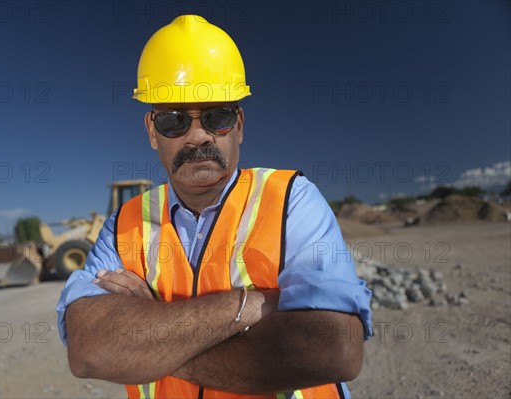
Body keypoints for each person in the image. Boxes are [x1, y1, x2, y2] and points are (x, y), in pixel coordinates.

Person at [57, 15, 372, 399]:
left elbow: (334, 348)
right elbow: (90, 349)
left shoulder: (292, 199)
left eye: (216, 117)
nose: (197, 136)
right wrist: (250, 305)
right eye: (174, 121)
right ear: (151, 132)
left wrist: (150, 342)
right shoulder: (123, 225)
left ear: (238, 124)